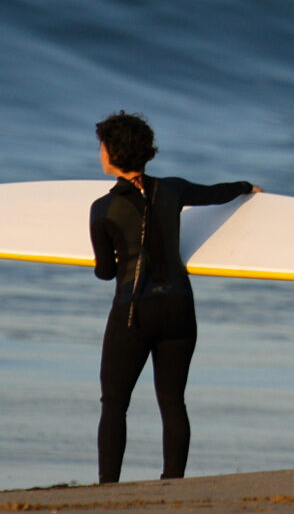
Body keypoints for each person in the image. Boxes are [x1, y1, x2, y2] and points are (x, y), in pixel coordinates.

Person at [90, 111, 262, 484]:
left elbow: (105, 272)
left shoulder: (102, 209)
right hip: (180, 308)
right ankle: (173, 482)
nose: (99, 152)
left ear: (113, 153)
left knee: (115, 402)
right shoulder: (172, 189)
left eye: (102, 146)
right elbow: (216, 193)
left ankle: (108, 486)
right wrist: (248, 187)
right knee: (172, 400)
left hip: (134, 311)